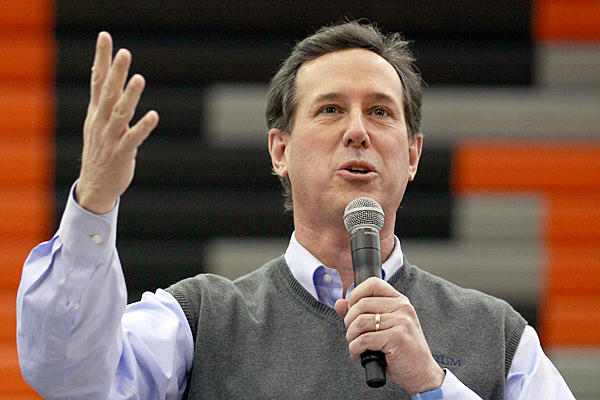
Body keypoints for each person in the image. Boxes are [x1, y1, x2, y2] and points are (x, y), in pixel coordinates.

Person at [17, 21, 574, 399]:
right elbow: (70, 379)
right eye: (330, 110)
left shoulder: (498, 335)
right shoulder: (200, 321)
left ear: (412, 156)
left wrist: (433, 384)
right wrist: (94, 202)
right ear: (279, 150)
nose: (357, 131)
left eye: (380, 112)